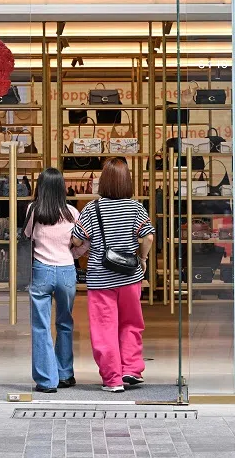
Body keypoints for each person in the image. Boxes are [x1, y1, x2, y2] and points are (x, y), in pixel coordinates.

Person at [72, 158, 155, 393]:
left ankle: (113, 379)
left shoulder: (92, 208)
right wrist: (143, 258)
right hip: (130, 276)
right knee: (131, 323)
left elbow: (78, 239)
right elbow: (147, 237)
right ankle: (131, 369)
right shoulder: (136, 207)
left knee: (104, 328)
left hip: (101, 278)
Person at [24, 167, 86, 393]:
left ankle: (46, 380)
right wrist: (74, 255)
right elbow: (84, 241)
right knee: (65, 323)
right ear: (62, 187)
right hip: (67, 271)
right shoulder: (72, 212)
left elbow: (28, 236)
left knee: (41, 326)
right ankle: (65, 374)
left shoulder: (33, 210)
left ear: (40, 186)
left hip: (41, 270)